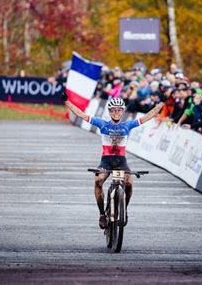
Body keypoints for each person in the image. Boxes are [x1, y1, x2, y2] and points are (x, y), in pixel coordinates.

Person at [62, 93, 164, 229]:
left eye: (119, 110)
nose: (116, 112)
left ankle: (124, 210)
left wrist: (162, 104)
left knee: (129, 183)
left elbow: (146, 117)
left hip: (121, 162)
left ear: (122, 111)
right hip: (106, 161)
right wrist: (67, 102)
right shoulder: (102, 123)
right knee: (98, 181)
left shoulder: (128, 125)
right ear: (109, 112)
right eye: (113, 110)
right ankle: (102, 214)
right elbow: (81, 115)